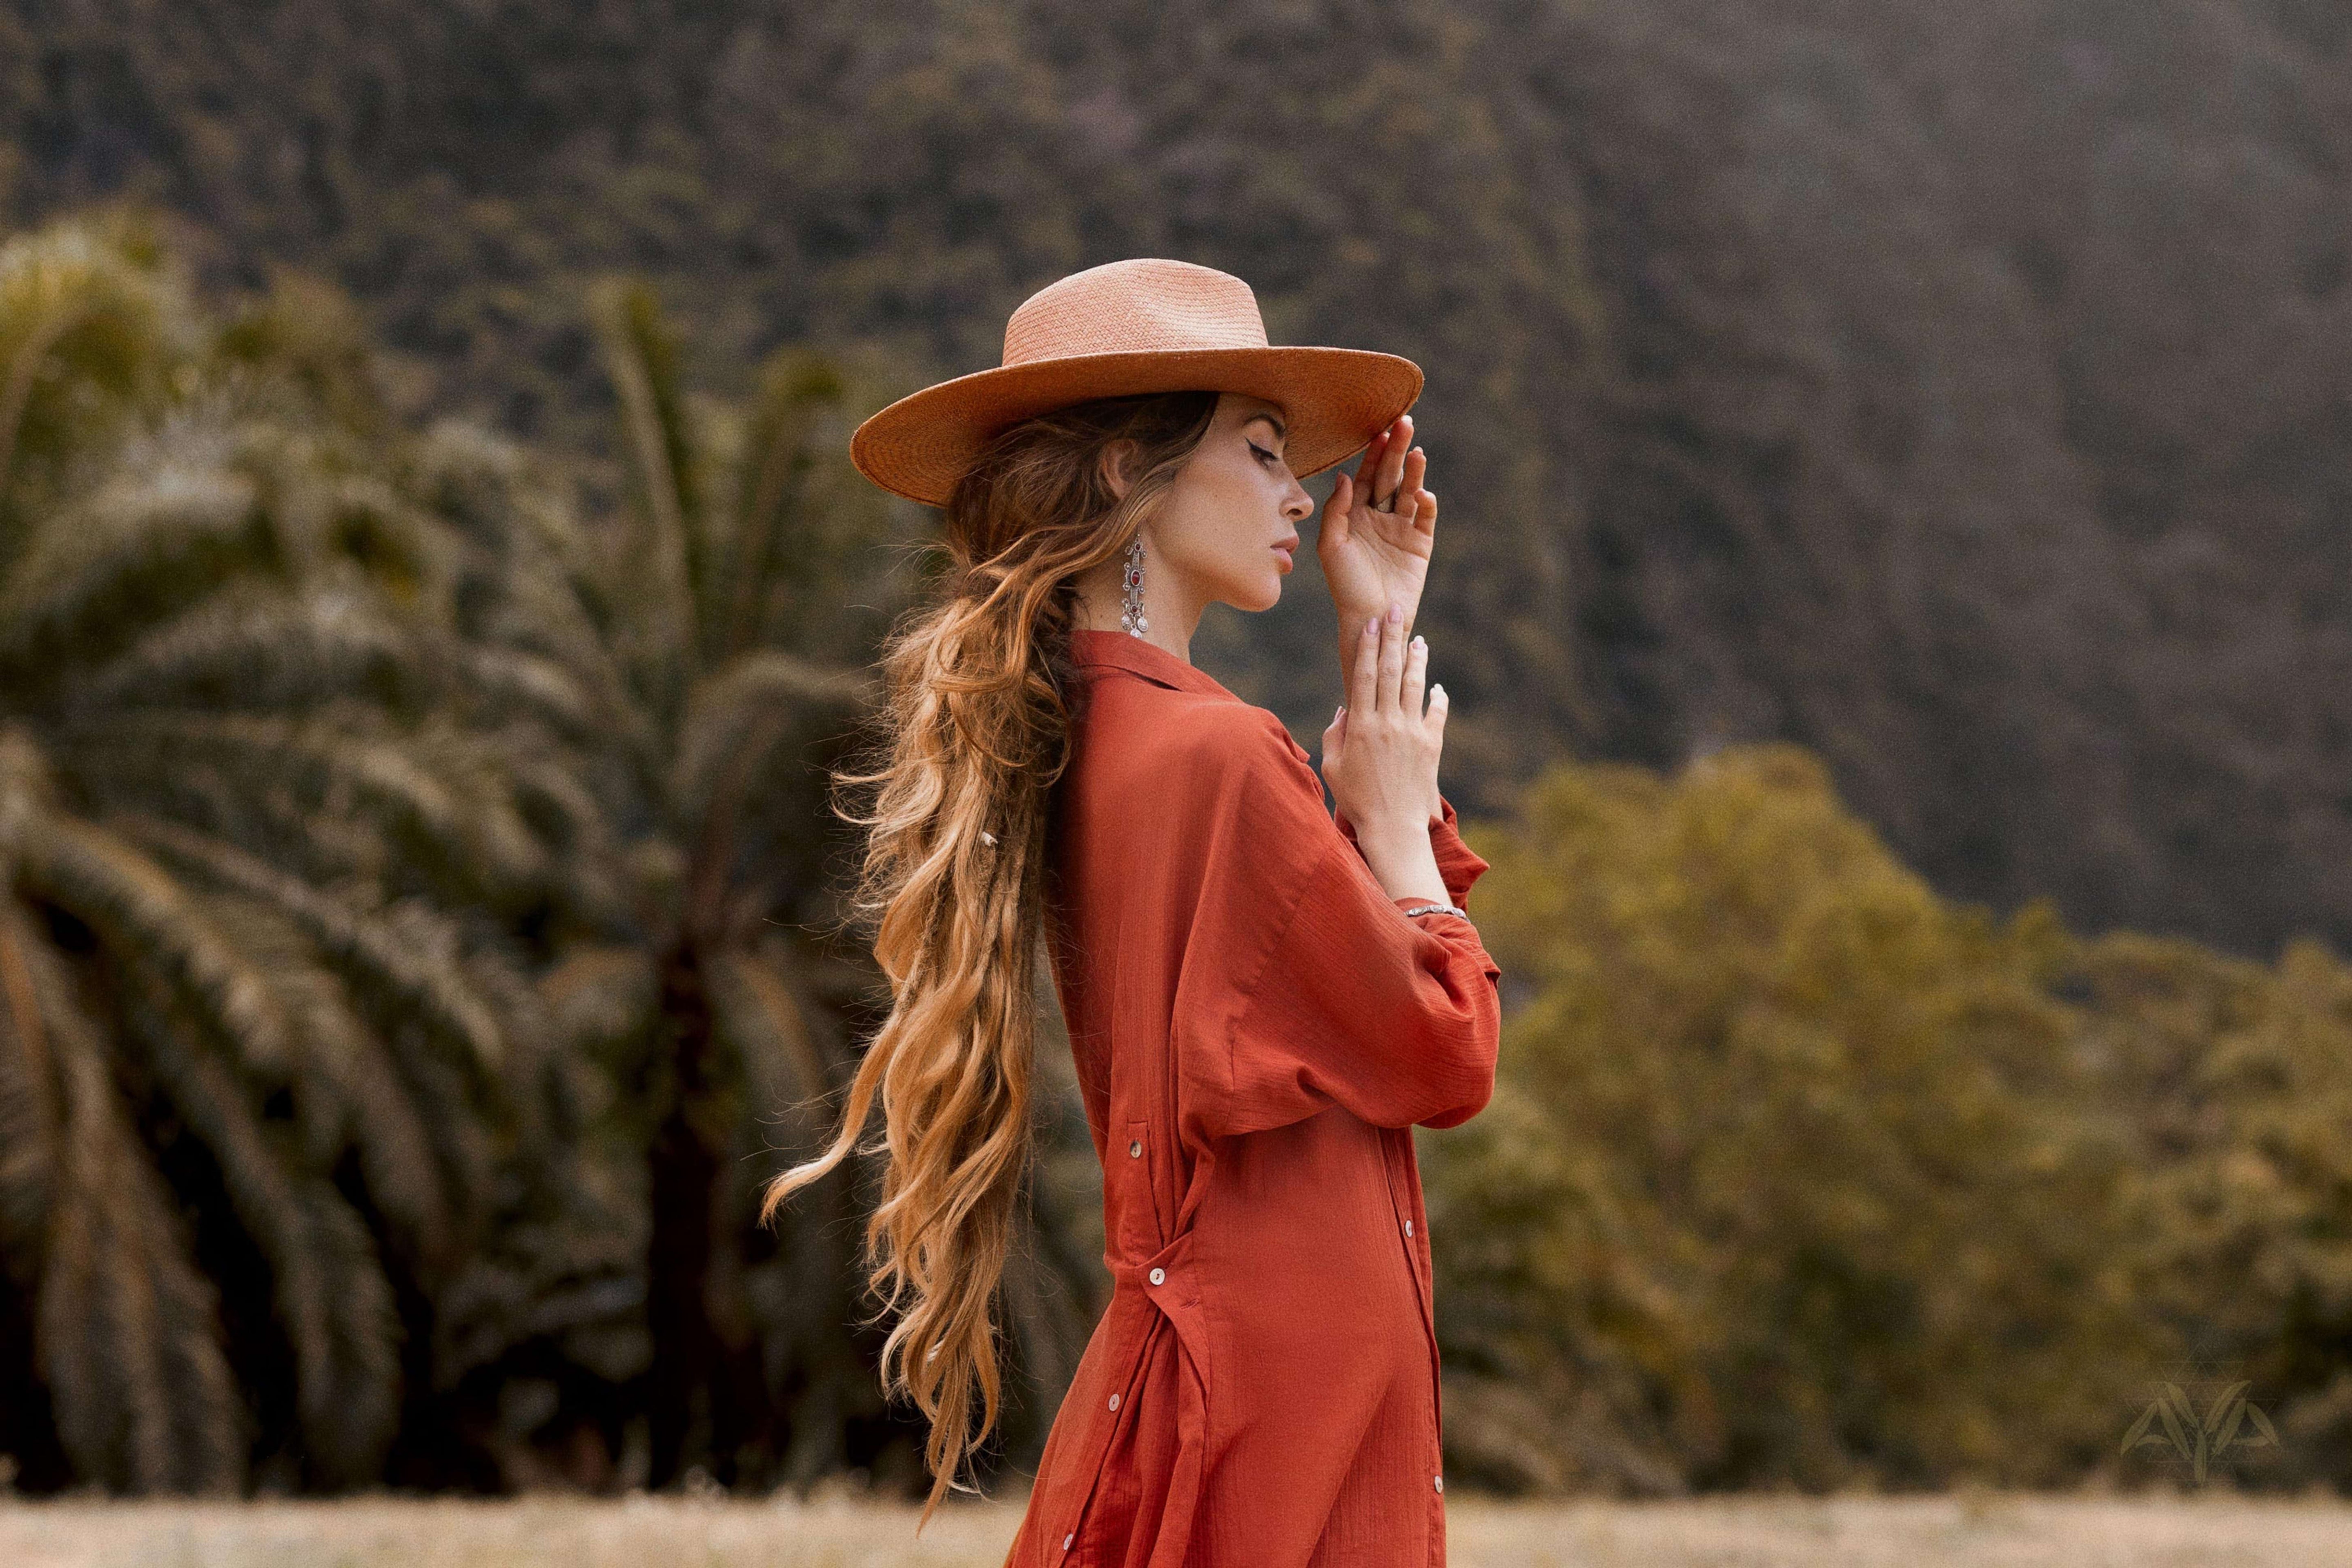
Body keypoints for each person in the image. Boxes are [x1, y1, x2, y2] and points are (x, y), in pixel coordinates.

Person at [765, 258, 1502, 1567]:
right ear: (1126, 472)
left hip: (1245, 1373)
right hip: (1283, 1400)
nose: (1300, 495)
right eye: (1265, 451)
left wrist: (1379, 638)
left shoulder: (1114, 742)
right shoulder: (1216, 758)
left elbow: (1330, 979)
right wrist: (1397, 825)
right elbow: (1441, 1052)